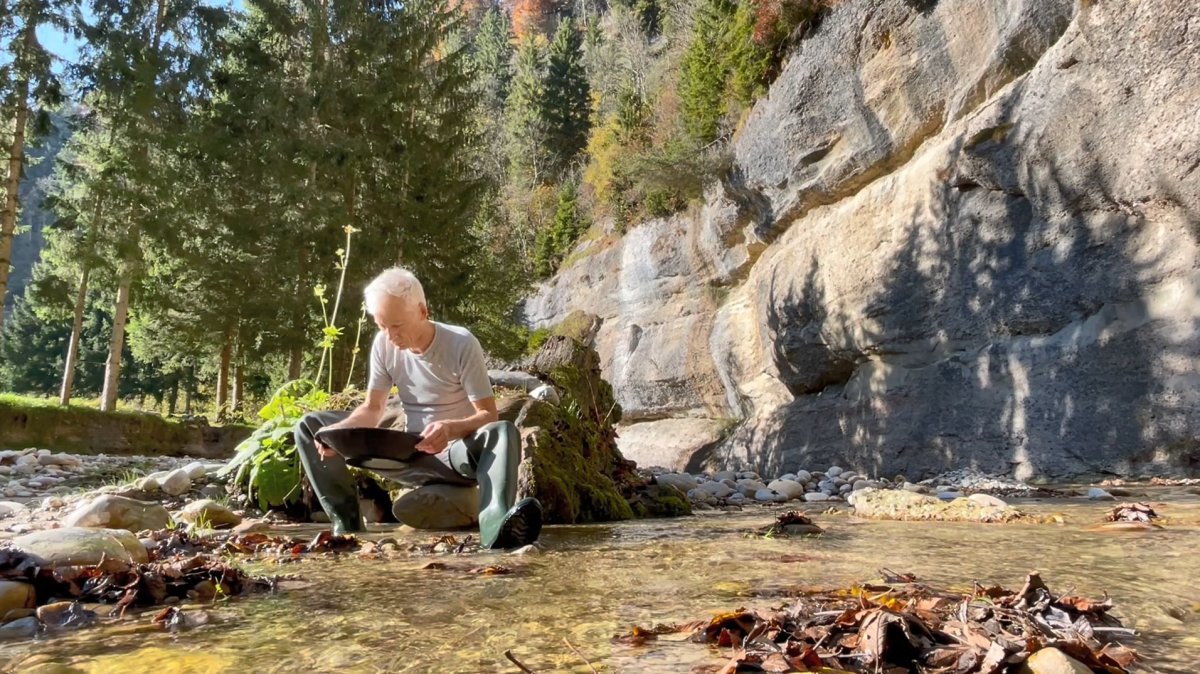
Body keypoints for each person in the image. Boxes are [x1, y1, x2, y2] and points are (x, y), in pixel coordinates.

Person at [293, 266, 542, 550]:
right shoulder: (383, 345)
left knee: (502, 431)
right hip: (408, 453)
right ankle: (346, 525)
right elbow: (372, 409)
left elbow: (488, 414)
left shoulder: (461, 343)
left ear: (422, 311)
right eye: (381, 326)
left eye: (396, 326)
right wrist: (334, 433)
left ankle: (496, 527)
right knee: (311, 427)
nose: (389, 336)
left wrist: (450, 428)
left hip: (454, 456)